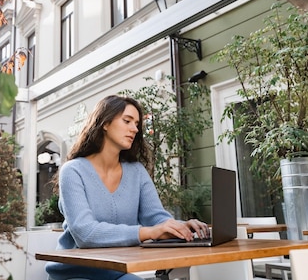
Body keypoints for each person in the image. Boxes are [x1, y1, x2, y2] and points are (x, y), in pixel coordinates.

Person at [45, 95, 209, 280]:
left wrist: (180, 227)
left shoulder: (136, 172)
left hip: (116, 270)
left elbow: (156, 217)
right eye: (127, 121)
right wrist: (147, 232)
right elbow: (86, 233)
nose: (134, 129)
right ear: (105, 123)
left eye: (137, 123)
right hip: (76, 272)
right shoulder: (73, 171)